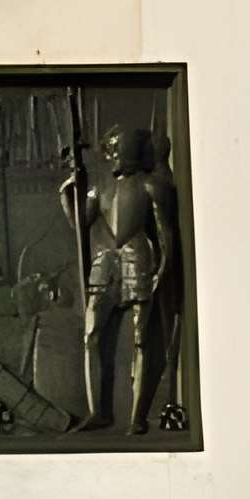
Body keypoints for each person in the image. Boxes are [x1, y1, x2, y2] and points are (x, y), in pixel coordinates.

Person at [59, 124, 175, 435]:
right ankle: (99, 411)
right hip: (106, 261)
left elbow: (165, 235)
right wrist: (67, 191)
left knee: (141, 339)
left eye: (121, 150)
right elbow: (80, 226)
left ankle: (136, 416)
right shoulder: (100, 190)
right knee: (92, 334)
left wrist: (162, 270)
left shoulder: (151, 186)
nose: (116, 156)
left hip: (138, 256)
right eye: (115, 150)